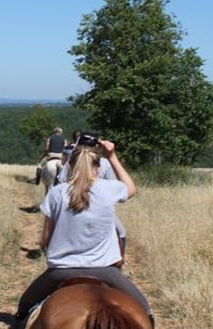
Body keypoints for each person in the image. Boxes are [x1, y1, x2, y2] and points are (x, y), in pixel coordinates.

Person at [16, 139, 153, 325]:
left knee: (24, 308)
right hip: (106, 271)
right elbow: (131, 187)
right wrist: (112, 156)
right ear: (98, 167)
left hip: (61, 271)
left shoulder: (57, 193)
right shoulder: (108, 189)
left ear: (70, 166)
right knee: (146, 311)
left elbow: (45, 239)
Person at [58, 132, 127, 253]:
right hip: (100, 207)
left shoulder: (70, 162)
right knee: (121, 232)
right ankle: (119, 262)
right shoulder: (104, 163)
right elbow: (117, 189)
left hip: (71, 206)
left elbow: (61, 182)